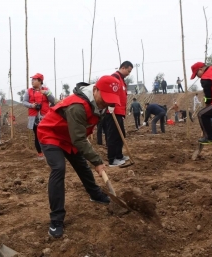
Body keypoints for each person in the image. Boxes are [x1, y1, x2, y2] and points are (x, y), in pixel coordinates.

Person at [37, 76, 121, 238]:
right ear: (95, 90)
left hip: (70, 136)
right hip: (51, 134)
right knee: (59, 168)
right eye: (105, 98)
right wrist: (97, 161)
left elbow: (79, 135)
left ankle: (95, 194)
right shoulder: (78, 106)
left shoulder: (100, 104)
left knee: (82, 166)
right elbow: (79, 139)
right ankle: (56, 219)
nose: (106, 103)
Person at [105, 61, 133, 167]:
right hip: (113, 112)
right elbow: (111, 93)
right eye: (128, 71)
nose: (129, 73)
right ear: (123, 68)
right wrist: (111, 106)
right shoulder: (115, 77)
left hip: (119, 112)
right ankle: (112, 159)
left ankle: (119, 155)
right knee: (113, 136)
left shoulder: (121, 80)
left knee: (121, 135)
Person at [22, 73, 55, 160]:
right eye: (32, 80)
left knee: (47, 135)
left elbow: (53, 100)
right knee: (37, 135)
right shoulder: (28, 91)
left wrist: (47, 93)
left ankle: (49, 152)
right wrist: (32, 105)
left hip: (45, 116)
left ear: (40, 81)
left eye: (34, 80)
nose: (32, 81)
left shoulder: (46, 90)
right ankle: (40, 154)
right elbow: (24, 102)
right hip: (34, 117)